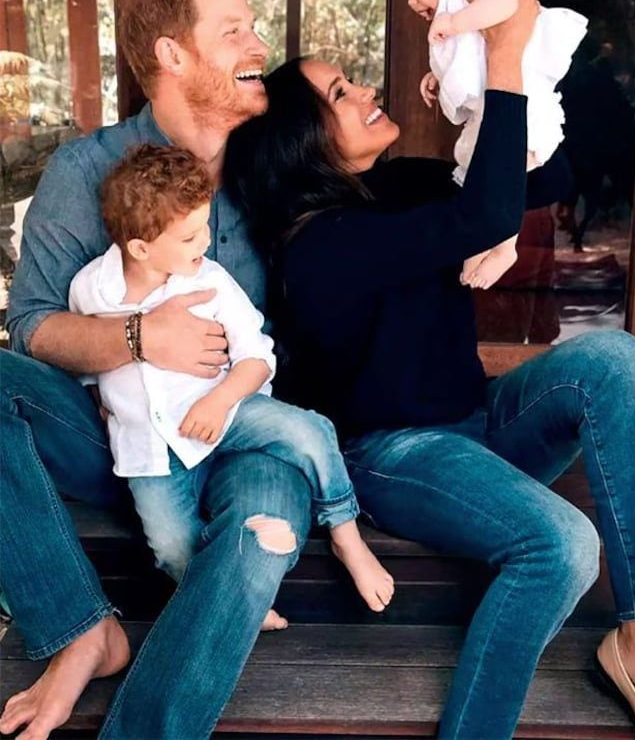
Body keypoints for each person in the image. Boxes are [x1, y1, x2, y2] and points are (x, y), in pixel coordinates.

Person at [225, 0, 635, 737]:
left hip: (479, 422)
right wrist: (507, 50)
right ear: (300, 142)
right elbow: (482, 217)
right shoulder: (318, 245)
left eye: (353, 81)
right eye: (340, 94)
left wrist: (484, 96)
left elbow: (548, 176)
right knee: (561, 545)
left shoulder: (400, 185)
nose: (366, 92)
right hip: (396, 455)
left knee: (616, 361)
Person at [1, 0, 335, 740]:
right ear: (172, 54)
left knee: (259, 534)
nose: (258, 46)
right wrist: (139, 335)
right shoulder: (87, 170)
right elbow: (30, 326)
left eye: (252, 27)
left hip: (246, 427)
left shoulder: (274, 164)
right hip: (119, 436)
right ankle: (83, 629)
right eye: (233, 32)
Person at [69, 143, 393, 611]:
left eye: (205, 226)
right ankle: (226, 599)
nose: (204, 242)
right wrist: (100, 395)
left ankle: (346, 534)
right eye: (188, 237)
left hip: (229, 407)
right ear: (140, 247)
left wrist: (219, 401)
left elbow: (258, 357)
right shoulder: (91, 289)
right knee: (169, 544)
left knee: (310, 431)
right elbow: (88, 357)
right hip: (151, 449)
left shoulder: (211, 280)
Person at [393, 0, 587, 290]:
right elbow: (474, 56)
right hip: (495, 102)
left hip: (525, 99)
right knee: (475, 168)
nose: (413, 2)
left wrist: (455, 21)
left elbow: (506, 4)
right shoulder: (460, 3)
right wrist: (437, 75)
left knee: (506, 169)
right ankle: (484, 240)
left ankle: (505, 244)